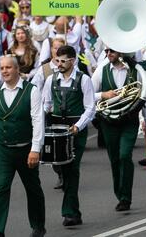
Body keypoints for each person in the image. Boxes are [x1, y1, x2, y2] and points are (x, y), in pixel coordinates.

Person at [0, 55, 45, 237]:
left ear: (17, 69)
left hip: (26, 149)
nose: (5, 71)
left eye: (8, 67)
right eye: (2, 68)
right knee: (1, 187)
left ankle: (38, 225)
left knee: (33, 188)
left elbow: (38, 120)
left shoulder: (31, 91)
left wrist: (35, 149)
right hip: (3, 149)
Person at [41, 45, 95, 227]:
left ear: (72, 61)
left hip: (75, 131)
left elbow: (90, 108)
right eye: (57, 60)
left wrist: (78, 126)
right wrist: (43, 120)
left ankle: (69, 213)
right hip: (57, 129)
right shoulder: (51, 80)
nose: (59, 64)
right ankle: (75, 211)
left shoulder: (84, 79)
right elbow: (46, 104)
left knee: (72, 169)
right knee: (63, 169)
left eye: (63, 61)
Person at [91, 48, 146, 212]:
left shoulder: (136, 70)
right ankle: (120, 193)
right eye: (107, 50)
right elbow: (88, 93)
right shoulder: (102, 69)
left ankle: (125, 197)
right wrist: (103, 95)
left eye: (112, 50)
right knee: (115, 159)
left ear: (121, 51)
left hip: (129, 121)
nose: (108, 53)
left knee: (125, 155)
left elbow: (145, 96)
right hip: (108, 122)